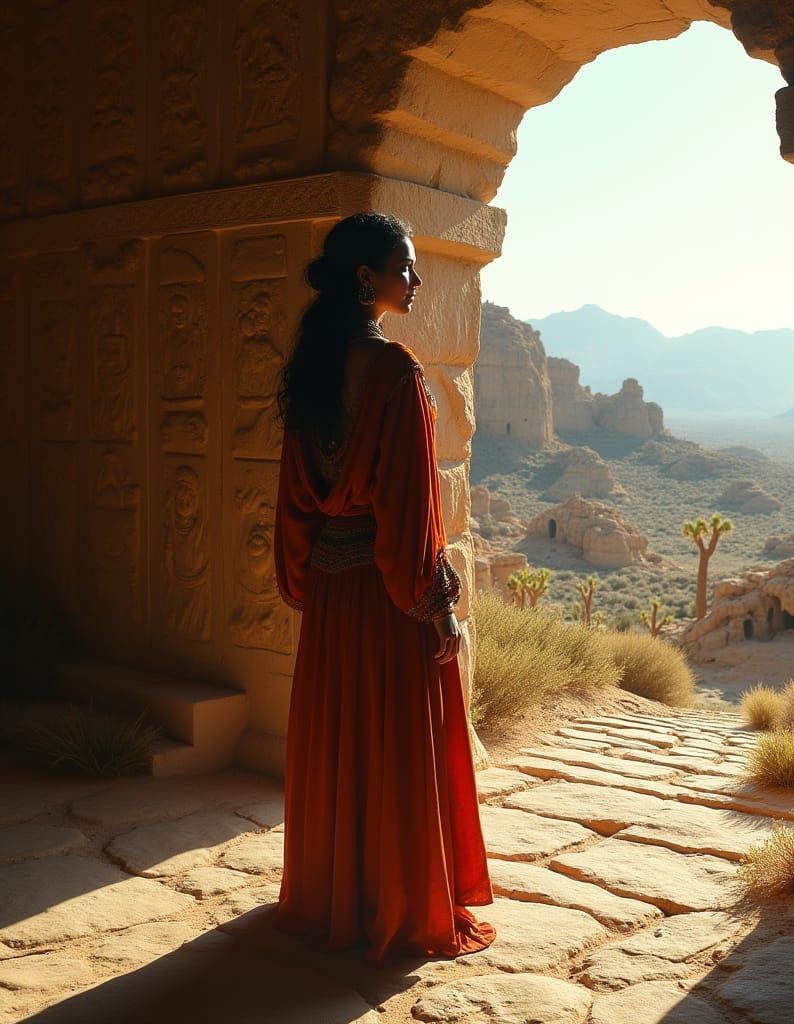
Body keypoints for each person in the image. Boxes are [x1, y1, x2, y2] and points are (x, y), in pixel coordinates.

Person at [272, 211, 496, 966]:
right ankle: (392, 904)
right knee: (394, 741)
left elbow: (297, 495)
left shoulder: (312, 363)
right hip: (383, 591)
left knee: (340, 739)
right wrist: (438, 609)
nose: (418, 279)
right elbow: (410, 512)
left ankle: (334, 893)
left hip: (334, 591)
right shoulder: (394, 371)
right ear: (367, 277)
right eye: (406, 266)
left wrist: (308, 573)